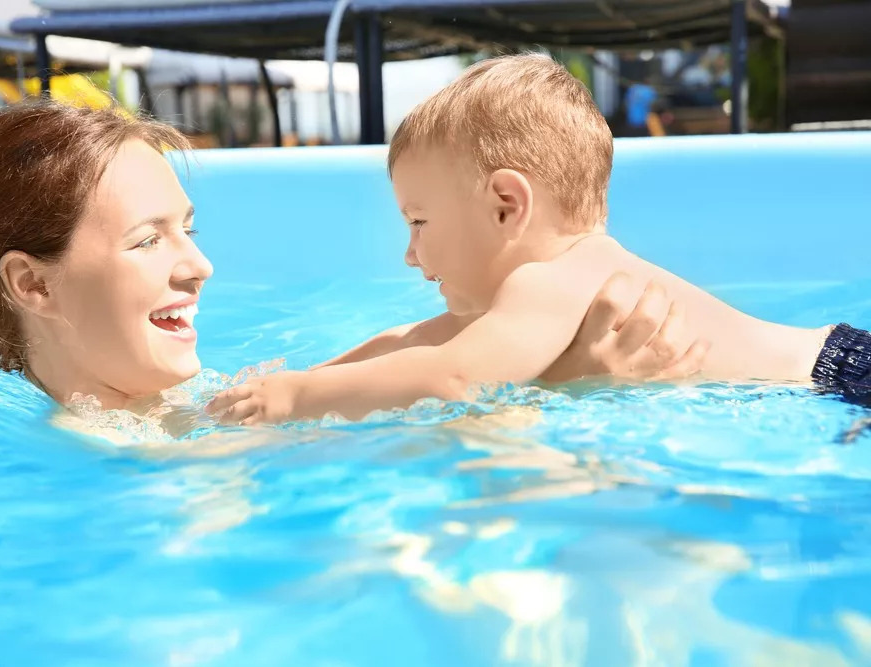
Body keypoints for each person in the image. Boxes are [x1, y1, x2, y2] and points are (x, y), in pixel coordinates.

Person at [0, 99, 704, 424]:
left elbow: (400, 359)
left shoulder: (182, 426)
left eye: (188, 229)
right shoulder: (111, 479)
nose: (200, 268)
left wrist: (543, 363)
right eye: (148, 239)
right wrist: (566, 386)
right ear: (31, 282)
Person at [207, 54, 871, 425]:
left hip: (839, 381)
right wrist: (316, 374)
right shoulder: (559, 282)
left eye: (419, 222)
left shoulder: (546, 280)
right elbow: (418, 341)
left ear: (505, 205)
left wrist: (290, 399)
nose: (410, 253)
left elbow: (452, 375)